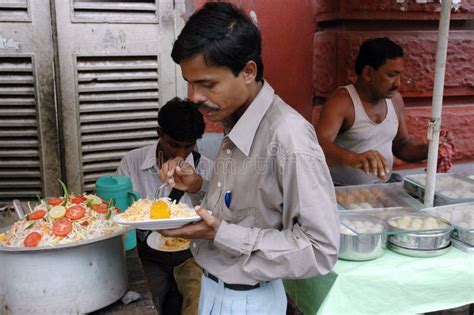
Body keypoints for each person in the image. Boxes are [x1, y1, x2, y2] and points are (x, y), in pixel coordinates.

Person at [158, 2, 340, 314]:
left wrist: (221, 233)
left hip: (248, 301)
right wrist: (198, 185)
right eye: (190, 81)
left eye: (207, 84)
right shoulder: (235, 121)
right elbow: (246, 204)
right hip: (213, 290)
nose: (194, 96)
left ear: (248, 71)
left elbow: (320, 249)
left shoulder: (289, 137)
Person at [117, 97, 214, 315]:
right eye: (173, 144)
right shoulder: (132, 163)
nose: (180, 155)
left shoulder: (207, 169)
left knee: (200, 302)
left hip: (193, 252)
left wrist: (197, 186)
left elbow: (218, 214)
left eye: (188, 146)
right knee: (144, 302)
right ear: (159, 133)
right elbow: (119, 213)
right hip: (148, 253)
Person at [316, 37, 428, 186]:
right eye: (391, 75)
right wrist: (352, 158)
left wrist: (430, 150)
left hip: (382, 190)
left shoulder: (395, 100)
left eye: (399, 75)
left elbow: (401, 145)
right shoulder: (342, 101)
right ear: (368, 73)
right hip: (341, 192)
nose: (398, 83)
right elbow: (318, 145)